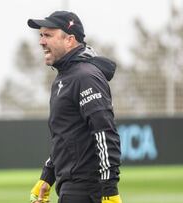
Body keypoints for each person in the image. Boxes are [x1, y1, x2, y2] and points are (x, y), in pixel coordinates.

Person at [27, 11, 123, 203]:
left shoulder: (85, 77)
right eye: (41, 35)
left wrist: (109, 191)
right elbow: (67, 136)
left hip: (86, 189)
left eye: (48, 35)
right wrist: (47, 177)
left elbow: (104, 133)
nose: (41, 42)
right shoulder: (64, 78)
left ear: (69, 40)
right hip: (71, 187)